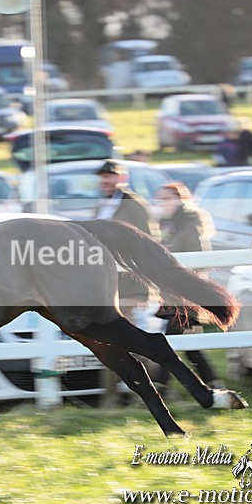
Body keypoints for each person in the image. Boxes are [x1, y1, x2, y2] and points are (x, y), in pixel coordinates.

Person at [93, 160, 159, 406]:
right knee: (109, 341)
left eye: (111, 177)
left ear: (122, 179)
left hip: (129, 286)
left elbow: (145, 246)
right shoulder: (102, 206)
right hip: (107, 285)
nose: (106, 181)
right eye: (102, 177)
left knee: (129, 341)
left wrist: (139, 290)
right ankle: (111, 397)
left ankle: (150, 393)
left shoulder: (133, 207)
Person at [152, 182, 222, 392]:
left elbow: (199, 261)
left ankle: (160, 386)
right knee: (190, 346)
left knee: (170, 343)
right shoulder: (170, 224)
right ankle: (213, 383)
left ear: (180, 199)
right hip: (173, 292)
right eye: (160, 199)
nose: (161, 203)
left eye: (166, 199)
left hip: (185, 295)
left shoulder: (190, 224)